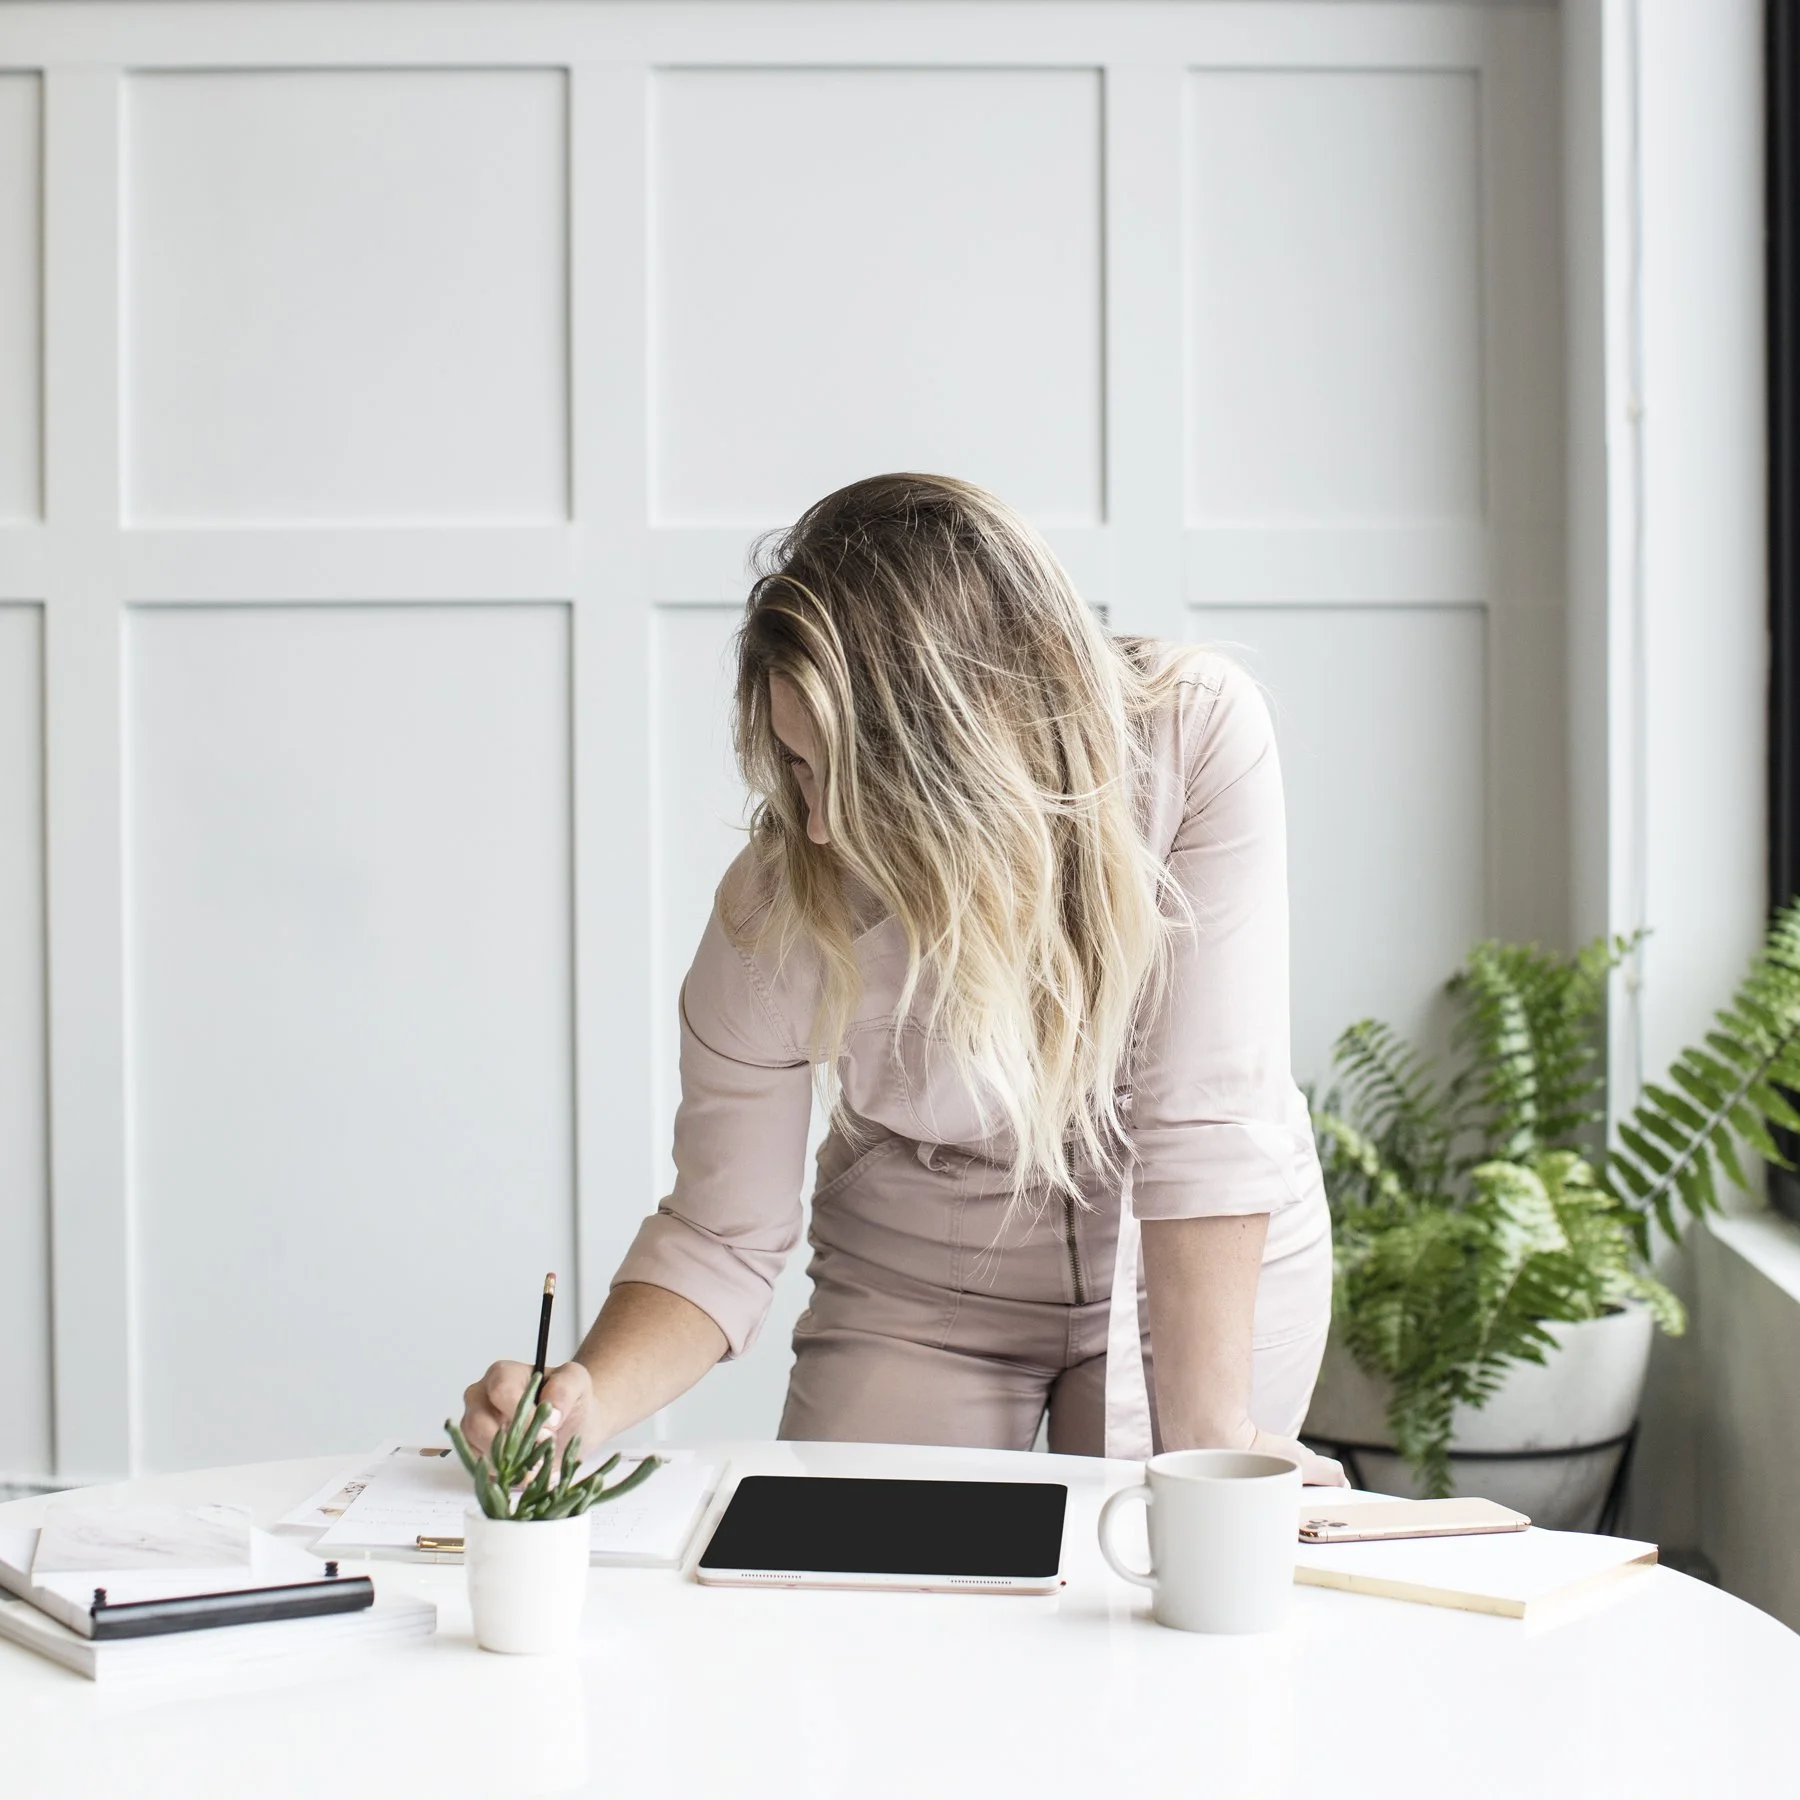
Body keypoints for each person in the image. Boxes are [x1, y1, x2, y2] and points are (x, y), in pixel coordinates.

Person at [461, 473, 1344, 1485]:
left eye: (855, 776)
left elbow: (1207, 1118)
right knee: (861, 1597)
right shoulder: (773, 906)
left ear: (966, 745)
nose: (822, 825)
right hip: (917, 1284)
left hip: (1191, 1265)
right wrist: (583, 1397)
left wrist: (1210, 1444)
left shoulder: (1192, 738)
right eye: (795, 767)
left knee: (1163, 1571)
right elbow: (720, 1230)